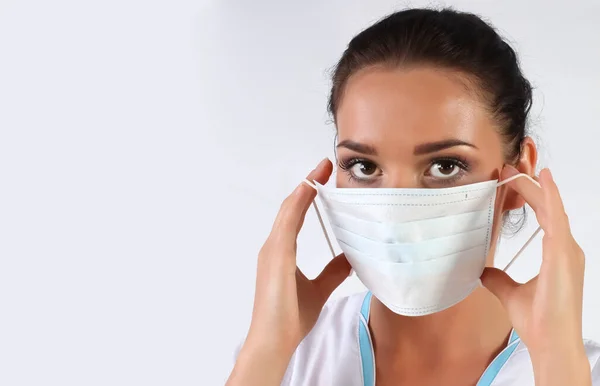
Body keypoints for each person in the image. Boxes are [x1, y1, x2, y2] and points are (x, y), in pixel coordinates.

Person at [226, 8, 600, 386]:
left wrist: (556, 361)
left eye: (445, 166)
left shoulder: (581, 371)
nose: (394, 212)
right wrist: (267, 348)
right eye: (364, 166)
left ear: (519, 174)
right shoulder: (283, 362)